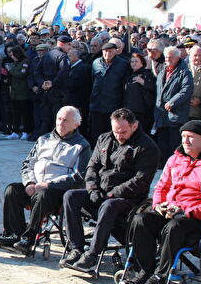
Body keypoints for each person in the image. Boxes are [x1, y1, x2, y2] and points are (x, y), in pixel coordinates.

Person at [124, 120, 201, 284]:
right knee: (140, 219)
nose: (185, 141)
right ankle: (144, 271)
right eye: (183, 136)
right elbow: (161, 186)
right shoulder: (175, 159)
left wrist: (188, 211)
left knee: (174, 226)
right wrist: (159, 205)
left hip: (198, 217)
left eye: (191, 137)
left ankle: (160, 278)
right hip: (170, 210)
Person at [61, 109, 159, 272]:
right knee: (70, 196)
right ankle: (76, 248)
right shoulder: (104, 138)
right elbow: (92, 166)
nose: (119, 136)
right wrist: (92, 188)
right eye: (116, 131)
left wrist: (112, 194)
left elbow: (140, 181)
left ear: (134, 126)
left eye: (123, 132)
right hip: (101, 191)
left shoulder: (147, 147)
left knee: (109, 206)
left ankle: (92, 254)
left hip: (128, 198)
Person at [0, 106, 91, 253]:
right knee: (12, 190)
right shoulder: (44, 139)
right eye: (59, 119)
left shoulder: (82, 146)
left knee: (42, 195)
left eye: (66, 120)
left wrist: (48, 184)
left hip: (57, 191)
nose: (61, 123)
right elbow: (28, 163)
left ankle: (28, 239)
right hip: (36, 184)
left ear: (76, 124)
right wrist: (30, 182)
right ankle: (15, 234)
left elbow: (78, 177)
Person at [153, 46, 193, 167]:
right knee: (162, 140)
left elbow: (186, 90)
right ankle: (163, 164)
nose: (168, 60)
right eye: (166, 57)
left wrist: (172, 102)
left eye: (170, 57)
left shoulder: (184, 72)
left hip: (175, 113)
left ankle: (176, 165)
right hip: (161, 113)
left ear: (177, 57)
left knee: (174, 142)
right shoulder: (163, 70)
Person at [89, 42, 130, 145]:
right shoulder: (96, 63)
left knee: (112, 135)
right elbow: (92, 81)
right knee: (96, 135)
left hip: (114, 105)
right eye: (105, 51)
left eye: (110, 51)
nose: (108, 54)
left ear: (115, 51)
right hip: (97, 105)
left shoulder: (123, 64)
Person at [34, 35, 70, 134]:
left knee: (45, 120)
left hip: (46, 92)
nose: (70, 47)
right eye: (68, 45)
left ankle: (43, 140)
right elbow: (63, 72)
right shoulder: (62, 56)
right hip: (57, 93)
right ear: (62, 44)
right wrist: (52, 83)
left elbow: (37, 72)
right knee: (57, 120)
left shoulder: (47, 55)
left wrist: (42, 83)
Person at [5, 46, 34, 140]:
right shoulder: (16, 63)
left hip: (23, 92)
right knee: (15, 113)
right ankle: (15, 131)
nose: (12, 56)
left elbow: (21, 74)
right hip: (15, 92)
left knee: (25, 113)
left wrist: (10, 70)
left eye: (13, 54)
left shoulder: (25, 62)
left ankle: (26, 131)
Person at [123, 52, 155, 134]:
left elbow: (153, 88)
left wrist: (143, 82)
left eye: (136, 61)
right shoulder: (129, 75)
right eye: (132, 62)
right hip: (129, 109)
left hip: (142, 111)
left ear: (142, 62)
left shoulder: (147, 74)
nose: (134, 64)